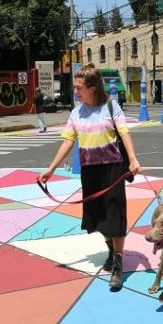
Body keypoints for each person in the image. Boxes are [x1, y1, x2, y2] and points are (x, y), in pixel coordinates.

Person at [37, 63, 141, 290]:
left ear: (92, 88)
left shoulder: (111, 108)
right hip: (89, 170)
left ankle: (118, 263)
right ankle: (112, 252)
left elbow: (124, 133)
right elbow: (68, 141)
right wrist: (51, 168)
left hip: (112, 169)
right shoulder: (76, 113)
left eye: (78, 87)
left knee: (115, 214)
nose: (75, 92)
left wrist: (132, 159)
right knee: (97, 217)